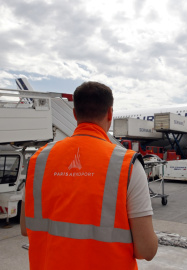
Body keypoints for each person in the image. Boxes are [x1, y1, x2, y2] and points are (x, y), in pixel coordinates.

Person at [20, 81, 158, 270]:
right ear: (110, 113)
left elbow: (24, 228)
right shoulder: (127, 164)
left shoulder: (38, 160)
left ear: (75, 114)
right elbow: (146, 250)